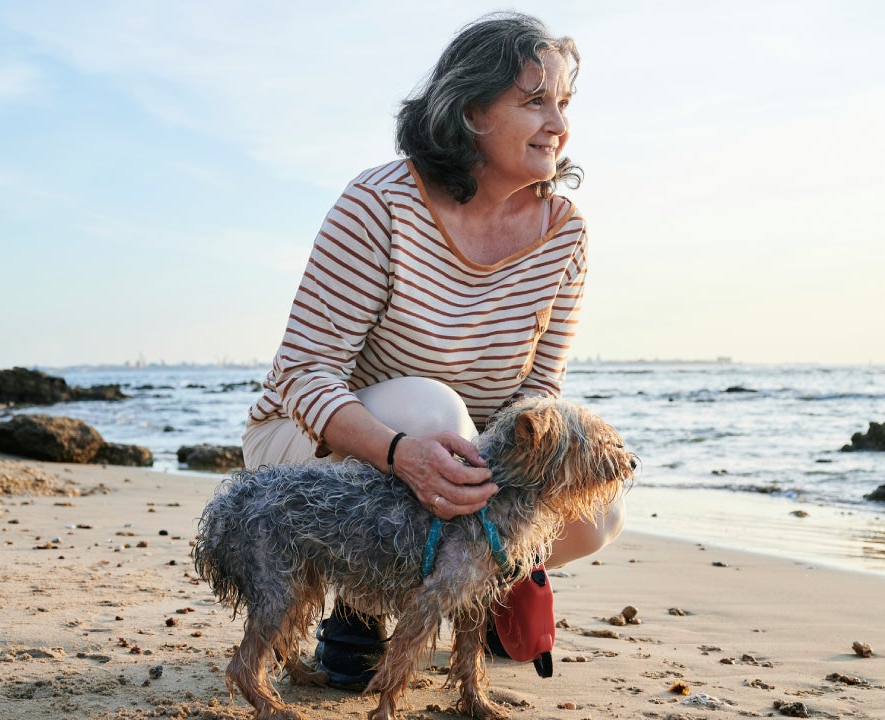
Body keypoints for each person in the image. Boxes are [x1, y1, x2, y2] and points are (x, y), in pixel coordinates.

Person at [241, 12, 623, 688]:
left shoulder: (566, 234)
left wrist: (512, 505)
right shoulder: (380, 203)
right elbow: (303, 374)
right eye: (535, 100)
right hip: (310, 446)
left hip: (457, 456)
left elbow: (539, 398)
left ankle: (459, 586)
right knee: (432, 411)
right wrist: (399, 453)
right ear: (471, 109)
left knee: (597, 511)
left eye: (564, 104)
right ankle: (359, 598)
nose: (558, 124)